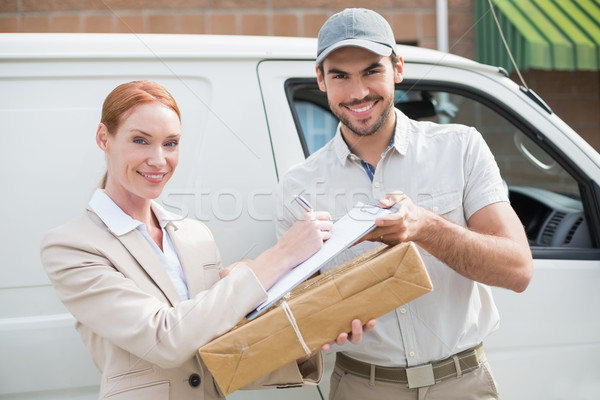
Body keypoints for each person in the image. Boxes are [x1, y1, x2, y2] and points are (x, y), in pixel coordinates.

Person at [40, 80, 374, 399]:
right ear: (104, 137)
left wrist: (314, 333)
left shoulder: (194, 235)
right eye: (141, 140)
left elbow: (219, 356)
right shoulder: (72, 246)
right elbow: (166, 339)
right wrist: (280, 256)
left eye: (170, 143)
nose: (159, 159)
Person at [276, 8, 533, 400]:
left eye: (371, 71)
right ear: (320, 80)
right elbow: (302, 315)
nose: (358, 92)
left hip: (462, 384)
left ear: (397, 67)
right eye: (340, 76)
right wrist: (326, 322)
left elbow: (517, 270)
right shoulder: (299, 187)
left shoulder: (461, 147)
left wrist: (426, 228)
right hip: (364, 387)